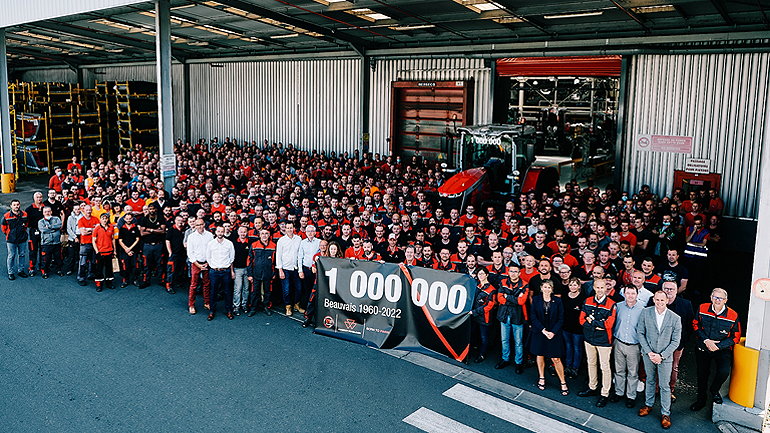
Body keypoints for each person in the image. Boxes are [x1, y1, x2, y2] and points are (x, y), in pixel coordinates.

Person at [690, 288, 741, 411]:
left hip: (722, 349)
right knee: (702, 375)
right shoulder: (702, 308)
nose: (717, 300)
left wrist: (718, 346)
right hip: (703, 346)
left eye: (721, 298)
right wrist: (706, 341)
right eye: (715, 297)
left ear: (725, 300)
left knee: (724, 371)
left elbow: (736, 336)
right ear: (711, 297)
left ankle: (714, 389)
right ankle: (701, 400)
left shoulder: (733, 315)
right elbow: (695, 324)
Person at [637, 290, 682, 429]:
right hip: (648, 354)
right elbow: (640, 332)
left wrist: (661, 356)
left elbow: (675, 341)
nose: (660, 303)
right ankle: (648, 405)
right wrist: (649, 352)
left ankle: (665, 414)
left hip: (665, 357)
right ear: (654, 300)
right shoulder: (646, 312)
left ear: (667, 300)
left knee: (664, 385)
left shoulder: (675, 318)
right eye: (657, 300)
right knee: (649, 380)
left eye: (662, 300)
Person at [578, 278, 617, 407]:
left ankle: (604, 393)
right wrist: (597, 324)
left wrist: (591, 321)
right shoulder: (587, 301)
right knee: (591, 363)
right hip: (589, 338)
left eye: (602, 288)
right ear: (594, 287)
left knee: (605, 367)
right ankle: (592, 387)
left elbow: (608, 325)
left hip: (604, 341)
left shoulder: (612, 304)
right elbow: (581, 321)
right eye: (597, 287)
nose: (600, 290)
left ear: (606, 288)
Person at [656, 280, 694, 402]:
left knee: (673, 368)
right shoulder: (656, 302)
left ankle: (670, 390)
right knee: (656, 367)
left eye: (671, 289)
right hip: (657, 344)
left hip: (676, 345)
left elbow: (689, 326)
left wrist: (681, 344)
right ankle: (656, 389)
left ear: (677, 290)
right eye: (665, 289)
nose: (668, 291)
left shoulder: (686, 304)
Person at [529, 280, 569, 396]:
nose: (547, 289)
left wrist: (553, 332)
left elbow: (561, 318)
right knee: (540, 355)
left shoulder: (558, 301)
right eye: (545, 287)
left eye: (549, 287)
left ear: (552, 289)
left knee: (556, 359)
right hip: (540, 332)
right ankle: (541, 377)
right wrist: (543, 330)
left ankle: (562, 381)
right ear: (541, 288)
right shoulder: (536, 300)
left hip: (554, 333)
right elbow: (533, 316)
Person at [611, 285, 645, 408]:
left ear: (637, 295)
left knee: (633, 372)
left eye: (633, 293)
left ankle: (631, 396)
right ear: (624, 294)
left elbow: (644, 330)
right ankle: (618, 392)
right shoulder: (618, 306)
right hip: (619, 342)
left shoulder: (642, 310)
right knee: (619, 369)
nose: (630, 296)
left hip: (634, 346)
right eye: (628, 293)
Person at [496, 264, 529, 374]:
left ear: (519, 273)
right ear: (508, 272)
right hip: (504, 314)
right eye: (511, 271)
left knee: (518, 342)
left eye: (515, 271)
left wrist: (507, 296)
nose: (513, 273)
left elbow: (521, 301)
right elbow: (499, 299)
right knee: (504, 340)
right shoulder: (503, 282)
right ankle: (505, 359)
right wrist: (513, 298)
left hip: (518, 316)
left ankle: (518, 363)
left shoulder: (525, 285)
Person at [206, 226, 235, 321]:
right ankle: (212, 311)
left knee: (227, 291)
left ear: (224, 232)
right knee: (213, 291)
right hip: (214, 271)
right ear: (215, 232)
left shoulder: (229, 244)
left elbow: (232, 258)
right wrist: (213, 266)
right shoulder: (211, 244)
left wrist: (228, 269)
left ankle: (229, 310)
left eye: (222, 231)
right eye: (218, 231)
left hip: (225, 271)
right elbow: (208, 257)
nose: (220, 233)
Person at [186, 218, 214, 315]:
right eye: (198, 225)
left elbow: (212, 250)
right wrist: (198, 265)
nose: (200, 227)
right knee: (194, 285)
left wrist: (208, 263)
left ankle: (206, 302)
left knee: (207, 284)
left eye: (201, 224)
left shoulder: (210, 236)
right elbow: (190, 253)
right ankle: (191, 305)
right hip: (196, 263)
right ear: (195, 226)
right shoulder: (191, 237)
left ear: (204, 225)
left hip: (207, 263)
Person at [469, 267, 497, 363]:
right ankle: (473, 352)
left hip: (485, 318)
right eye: (479, 274)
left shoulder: (492, 289)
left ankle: (482, 355)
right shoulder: (477, 285)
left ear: (487, 275)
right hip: (474, 316)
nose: (480, 276)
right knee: (473, 335)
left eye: (482, 274)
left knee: (484, 338)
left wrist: (474, 312)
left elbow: (489, 306)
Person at [247, 229, 276, 317]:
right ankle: (253, 308)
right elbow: (249, 260)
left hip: (268, 273)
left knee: (267, 291)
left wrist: (274, 273)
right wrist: (250, 274)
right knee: (255, 291)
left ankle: (266, 307)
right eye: (262, 233)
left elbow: (275, 261)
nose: (264, 235)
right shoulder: (254, 245)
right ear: (259, 235)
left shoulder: (274, 246)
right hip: (256, 273)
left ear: (269, 235)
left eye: (266, 233)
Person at [276, 223, 303, 316]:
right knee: (286, 290)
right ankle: (288, 307)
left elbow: (300, 254)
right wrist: (280, 269)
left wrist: (300, 269)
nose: (289, 229)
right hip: (285, 268)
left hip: (296, 268)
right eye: (287, 228)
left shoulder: (299, 239)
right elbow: (278, 255)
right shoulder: (281, 240)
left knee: (299, 288)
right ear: (285, 229)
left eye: (291, 228)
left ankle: (296, 304)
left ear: (294, 228)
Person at [562, 277, 586, 378]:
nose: (572, 287)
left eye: (575, 285)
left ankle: (575, 367)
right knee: (568, 346)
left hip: (577, 328)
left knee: (577, 348)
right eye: (571, 285)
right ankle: (568, 366)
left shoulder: (582, 298)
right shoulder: (565, 297)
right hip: (566, 327)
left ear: (579, 286)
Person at [138, 206, 167, 289]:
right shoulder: (144, 219)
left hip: (158, 245)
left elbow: (163, 231)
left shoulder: (161, 218)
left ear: (156, 209)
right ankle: (146, 280)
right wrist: (155, 230)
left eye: (153, 209)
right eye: (150, 209)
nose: (152, 210)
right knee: (146, 264)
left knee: (160, 263)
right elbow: (142, 233)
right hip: (147, 245)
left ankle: (161, 280)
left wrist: (149, 230)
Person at [302, 238, 329, 328]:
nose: (323, 247)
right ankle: (308, 318)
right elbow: (313, 270)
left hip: (329, 284)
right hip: (318, 281)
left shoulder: (330, 255)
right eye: (321, 245)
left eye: (324, 245)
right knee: (312, 299)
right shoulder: (316, 256)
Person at [2, 199, 29, 280]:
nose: (16, 206)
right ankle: (10, 272)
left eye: (17, 204)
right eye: (14, 205)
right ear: (11, 206)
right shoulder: (6, 216)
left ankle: (21, 271)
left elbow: (26, 224)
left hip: (22, 239)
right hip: (11, 240)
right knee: (11, 256)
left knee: (22, 254)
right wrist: (9, 234)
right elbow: (3, 227)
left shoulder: (24, 214)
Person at [298, 225, 321, 311]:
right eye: (308, 231)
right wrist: (300, 271)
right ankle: (305, 307)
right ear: (306, 233)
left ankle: (315, 308)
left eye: (312, 231)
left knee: (315, 289)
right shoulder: (303, 242)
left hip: (315, 270)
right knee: (306, 289)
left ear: (315, 232)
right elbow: (300, 257)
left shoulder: (319, 242)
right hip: (305, 269)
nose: (310, 233)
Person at [92, 213, 116, 292]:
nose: (104, 220)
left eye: (106, 218)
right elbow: (93, 240)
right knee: (99, 269)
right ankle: (99, 284)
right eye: (103, 218)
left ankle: (109, 283)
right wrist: (97, 251)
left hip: (109, 251)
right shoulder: (97, 228)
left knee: (109, 268)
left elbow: (113, 239)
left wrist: (114, 250)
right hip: (100, 252)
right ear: (100, 219)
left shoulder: (111, 227)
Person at [38, 206, 63, 279]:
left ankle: (59, 270)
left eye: (49, 211)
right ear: (43, 213)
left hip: (56, 242)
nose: (47, 213)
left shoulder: (57, 218)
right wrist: (54, 229)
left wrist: (49, 227)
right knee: (46, 259)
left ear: (51, 212)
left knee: (58, 257)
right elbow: (43, 230)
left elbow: (59, 225)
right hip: (46, 243)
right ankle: (44, 271)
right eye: (45, 212)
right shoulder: (41, 221)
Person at [164, 215, 187, 294]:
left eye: (181, 220)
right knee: (171, 270)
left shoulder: (184, 230)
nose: (180, 222)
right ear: (175, 221)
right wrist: (170, 252)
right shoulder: (171, 230)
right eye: (178, 220)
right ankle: (168, 285)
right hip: (173, 253)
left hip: (182, 254)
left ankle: (177, 282)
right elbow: (167, 241)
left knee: (180, 269)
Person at [77, 204, 99, 286]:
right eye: (87, 210)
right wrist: (92, 230)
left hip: (94, 243)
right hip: (84, 244)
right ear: (83, 210)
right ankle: (81, 277)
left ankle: (91, 274)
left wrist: (88, 229)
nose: (89, 211)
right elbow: (83, 232)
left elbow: (98, 231)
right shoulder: (81, 220)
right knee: (83, 262)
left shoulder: (96, 219)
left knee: (93, 261)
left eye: (90, 210)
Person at [231, 225, 251, 315]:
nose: (243, 233)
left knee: (246, 289)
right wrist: (232, 271)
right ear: (238, 232)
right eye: (241, 232)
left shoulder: (250, 243)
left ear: (247, 233)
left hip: (247, 269)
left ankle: (244, 305)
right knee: (237, 288)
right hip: (237, 269)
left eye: (244, 232)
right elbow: (231, 258)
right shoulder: (234, 243)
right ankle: (236, 306)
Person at [117, 212, 141, 288]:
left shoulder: (135, 227)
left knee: (135, 265)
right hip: (124, 251)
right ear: (124, 219)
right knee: (125, 265)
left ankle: (135, 279)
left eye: (130, 218)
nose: (128, 220)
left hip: (134, 250)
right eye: (127, 218)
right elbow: (120, 240)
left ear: (132, 219)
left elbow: (137, 239)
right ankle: (125, 280)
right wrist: (126, 249)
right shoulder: (122, 228)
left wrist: (130, 248)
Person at [25, 192, 46, 276]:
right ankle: (32, 267)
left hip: (44, 232)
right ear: (34, 198)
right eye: (37, 197)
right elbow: (25, 221)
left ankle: (42, 267)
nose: (39, 199)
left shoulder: (46, 207)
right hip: (33, 232)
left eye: (40, 197)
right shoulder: (29, 209)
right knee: (33, 250)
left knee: (43, 250)